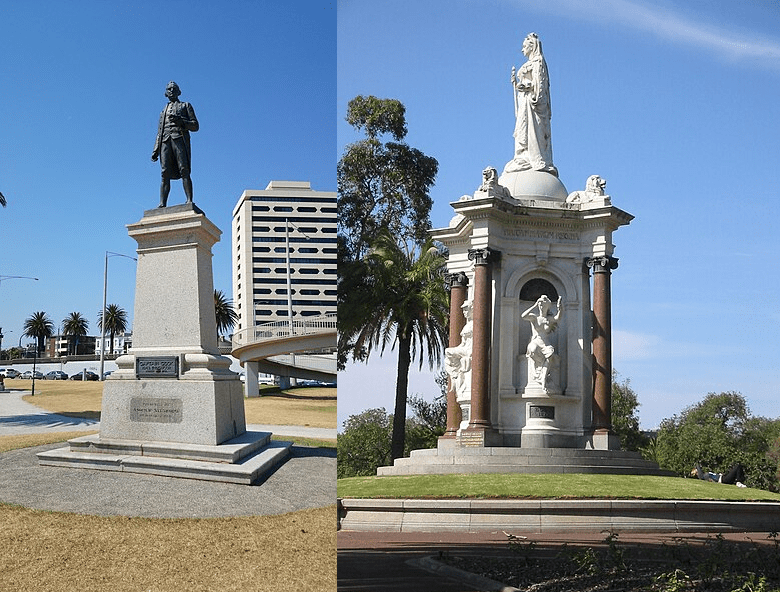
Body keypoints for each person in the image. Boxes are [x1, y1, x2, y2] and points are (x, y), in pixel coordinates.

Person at [504, 32, 557, 176]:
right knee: (522, 128)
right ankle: (522, 155)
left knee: (533, 129)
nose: (522, 50)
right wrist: (517, 85)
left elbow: (541, 87)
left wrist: (528, 88)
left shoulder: (538, 62)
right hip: (524, 102)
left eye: (524, 46)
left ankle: (534, 157)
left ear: (532, 46)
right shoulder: (529, 63)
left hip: (532, 105)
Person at [152, 81, 199, 207]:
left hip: (179, 139)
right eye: (169, 89)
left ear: (179, 92)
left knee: (184, 169)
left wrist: (181, 121)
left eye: (174, 89)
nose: (171, 91)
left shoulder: (186, 106)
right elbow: (159, 131)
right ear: (166, 93)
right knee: (164, 172)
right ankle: (162, 203)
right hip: (165, 142)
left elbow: (195, 126)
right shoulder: (163, 111)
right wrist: (156, 149)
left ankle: (189, 200)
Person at [521, 294, 562, 392]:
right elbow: (523, 316)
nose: (541, 307)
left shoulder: (549, 319)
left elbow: (557, 318)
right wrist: (534, 305)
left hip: (545, 342)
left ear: (547, 307)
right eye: (540, 305)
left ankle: (543, 378)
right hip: (536, 341)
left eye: (543, 305)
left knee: (550, 353)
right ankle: (540, 374)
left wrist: (560, 308)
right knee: (532, 348)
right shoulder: (534, 318)